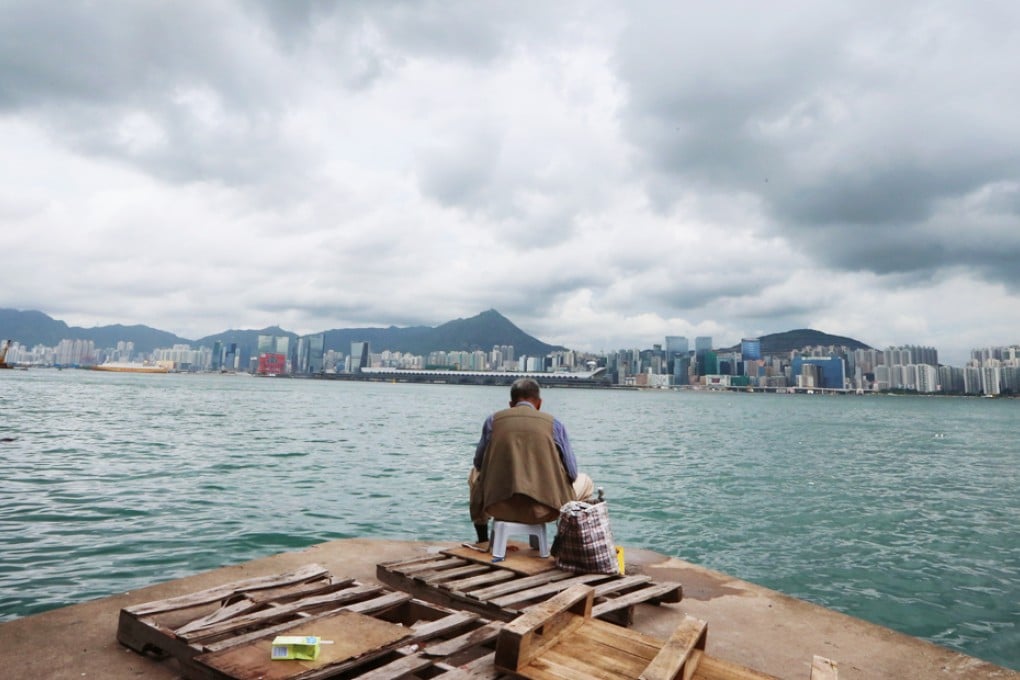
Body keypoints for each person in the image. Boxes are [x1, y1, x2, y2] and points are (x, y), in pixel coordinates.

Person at [469, 378, 594, 544]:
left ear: (511, 404)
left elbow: (479, 463)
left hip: (497, 507)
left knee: (474, 474)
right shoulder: (554, 425)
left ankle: (483, 538)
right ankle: (560, 542)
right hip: (544, 510)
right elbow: (571, 472)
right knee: (586, 482)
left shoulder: (493, 421)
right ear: (539, 403)